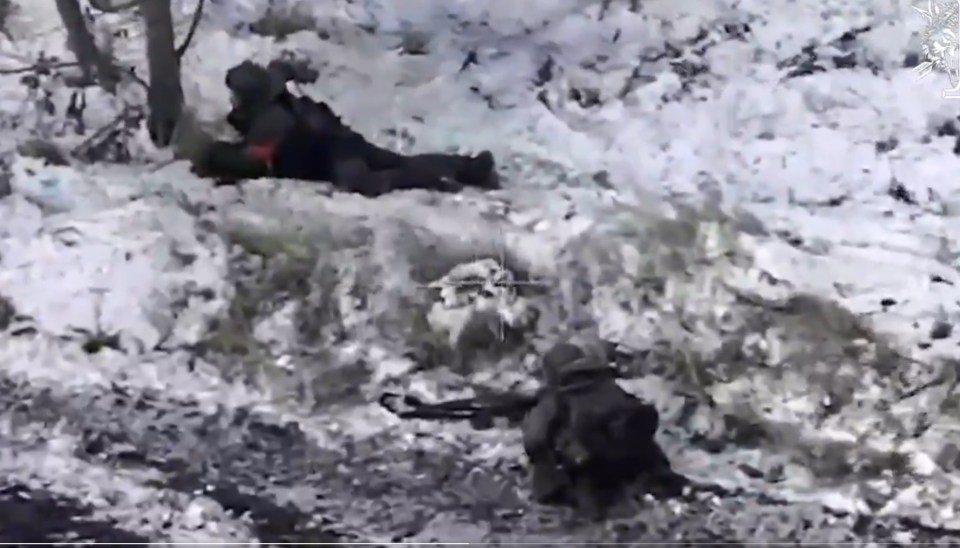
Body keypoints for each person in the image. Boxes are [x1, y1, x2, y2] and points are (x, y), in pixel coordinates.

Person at [378, 338, 685, 517]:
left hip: (591, 485)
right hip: (641, 468)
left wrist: (422, 411)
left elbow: (484, 407)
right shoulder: (614, 393)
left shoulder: (550, 403)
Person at [192, 60, 500, 196]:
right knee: (397, 161)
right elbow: (282, 68)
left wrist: (210, 153)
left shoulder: (269, 120)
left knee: (368, 182)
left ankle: (440, 179)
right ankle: (470, 168)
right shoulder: (272, 89)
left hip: (333, 153)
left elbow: (251, 162)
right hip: (340, 138)